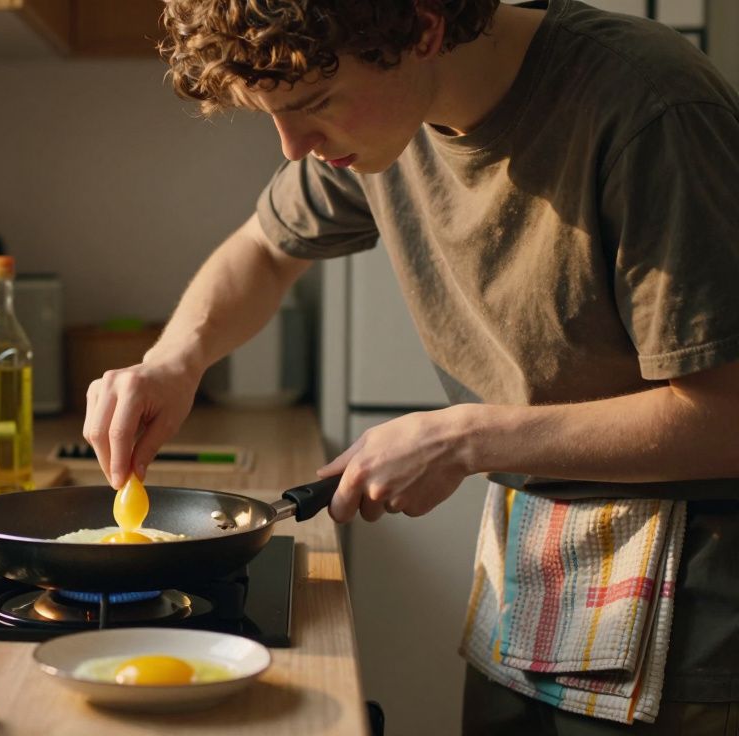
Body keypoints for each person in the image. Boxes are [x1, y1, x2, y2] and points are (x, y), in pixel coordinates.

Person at [82, 0, 739, 732]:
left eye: (315, 104)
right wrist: (175, 361)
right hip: (530, 573)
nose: (293, 146)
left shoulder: (650, 108)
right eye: (269, 114)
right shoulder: (387, 121)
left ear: (424, 29)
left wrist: (466, 441)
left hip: (688, 616)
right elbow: (263, 250)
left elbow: (727, 417)